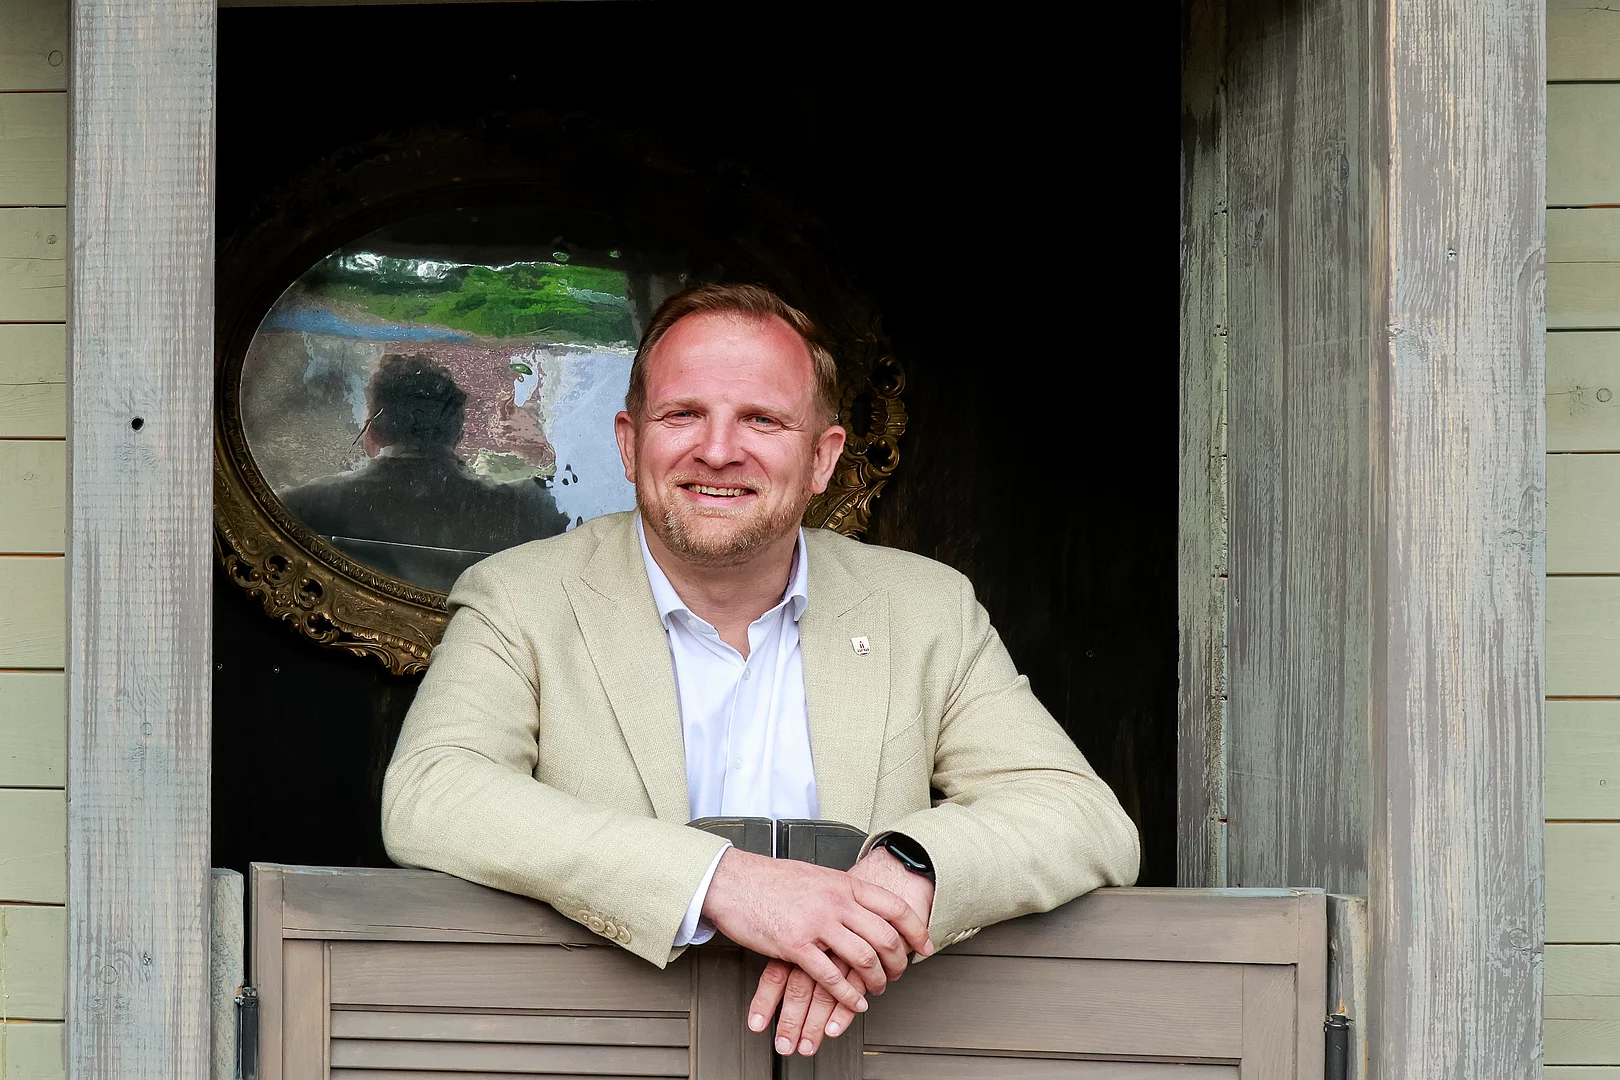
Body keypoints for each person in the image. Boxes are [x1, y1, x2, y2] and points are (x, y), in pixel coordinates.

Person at [381, 284, 1139, 1057]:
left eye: (762, 420)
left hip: (867, 1058)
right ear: (629, 442)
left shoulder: (925, 609)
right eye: (683, 415)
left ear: (823, 458)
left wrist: (903, 874)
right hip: (603, 1053)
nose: (717, 450)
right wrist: (721, 881)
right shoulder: (519, 597)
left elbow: (1082, 815)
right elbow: (433, 791)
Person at [280, 354, 569, 590]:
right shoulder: (520, 510)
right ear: (457, 432)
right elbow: (561, 514)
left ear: (374, 429)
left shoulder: (305, 506)